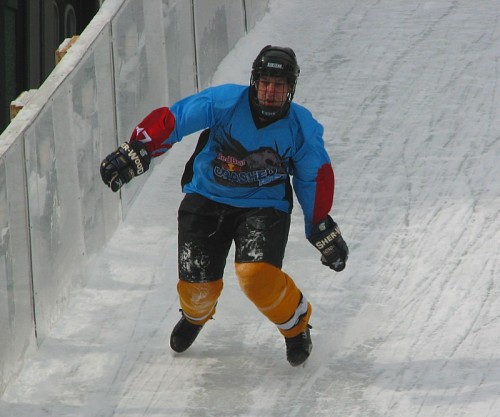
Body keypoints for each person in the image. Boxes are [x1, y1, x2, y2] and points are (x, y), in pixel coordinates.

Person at [100, 45, 349, 367]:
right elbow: (174, 120)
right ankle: (195, 316)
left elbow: (314, 176)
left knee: (257, 276)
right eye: (265, 83)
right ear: (254, 82)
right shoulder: (224, 101)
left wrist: (320, 225)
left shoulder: (301, 127)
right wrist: (137, 149)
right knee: (196, 291)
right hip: (205, 199)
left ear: (291, 89)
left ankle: (295, 326)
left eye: (280, 85)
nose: (271, 92)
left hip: (265, 206)